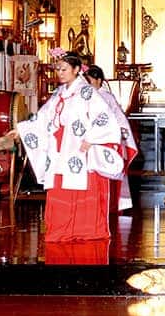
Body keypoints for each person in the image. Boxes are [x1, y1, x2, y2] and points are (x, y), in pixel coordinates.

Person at [15, 50, 125, 242]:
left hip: (79, 147)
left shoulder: (88, 92)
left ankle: (85, 230)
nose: (60, 72)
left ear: (76, 69)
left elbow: (104, 117)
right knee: (59, 186)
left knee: (79, 185)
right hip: (59, 148)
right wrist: (22, 130)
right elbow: (43, 118)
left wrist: (92, 138)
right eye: (58, 69)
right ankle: (61, 229)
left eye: (64, 69)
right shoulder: (58, 93)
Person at [84, 64, 139, 220]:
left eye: (90, 80)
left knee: (106, 172)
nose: (88, 84)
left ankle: (111, 204)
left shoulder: (106, 97)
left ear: (99, 80)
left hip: (105, 140)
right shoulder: (85, 96)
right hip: (90, 140)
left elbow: (117, 120)